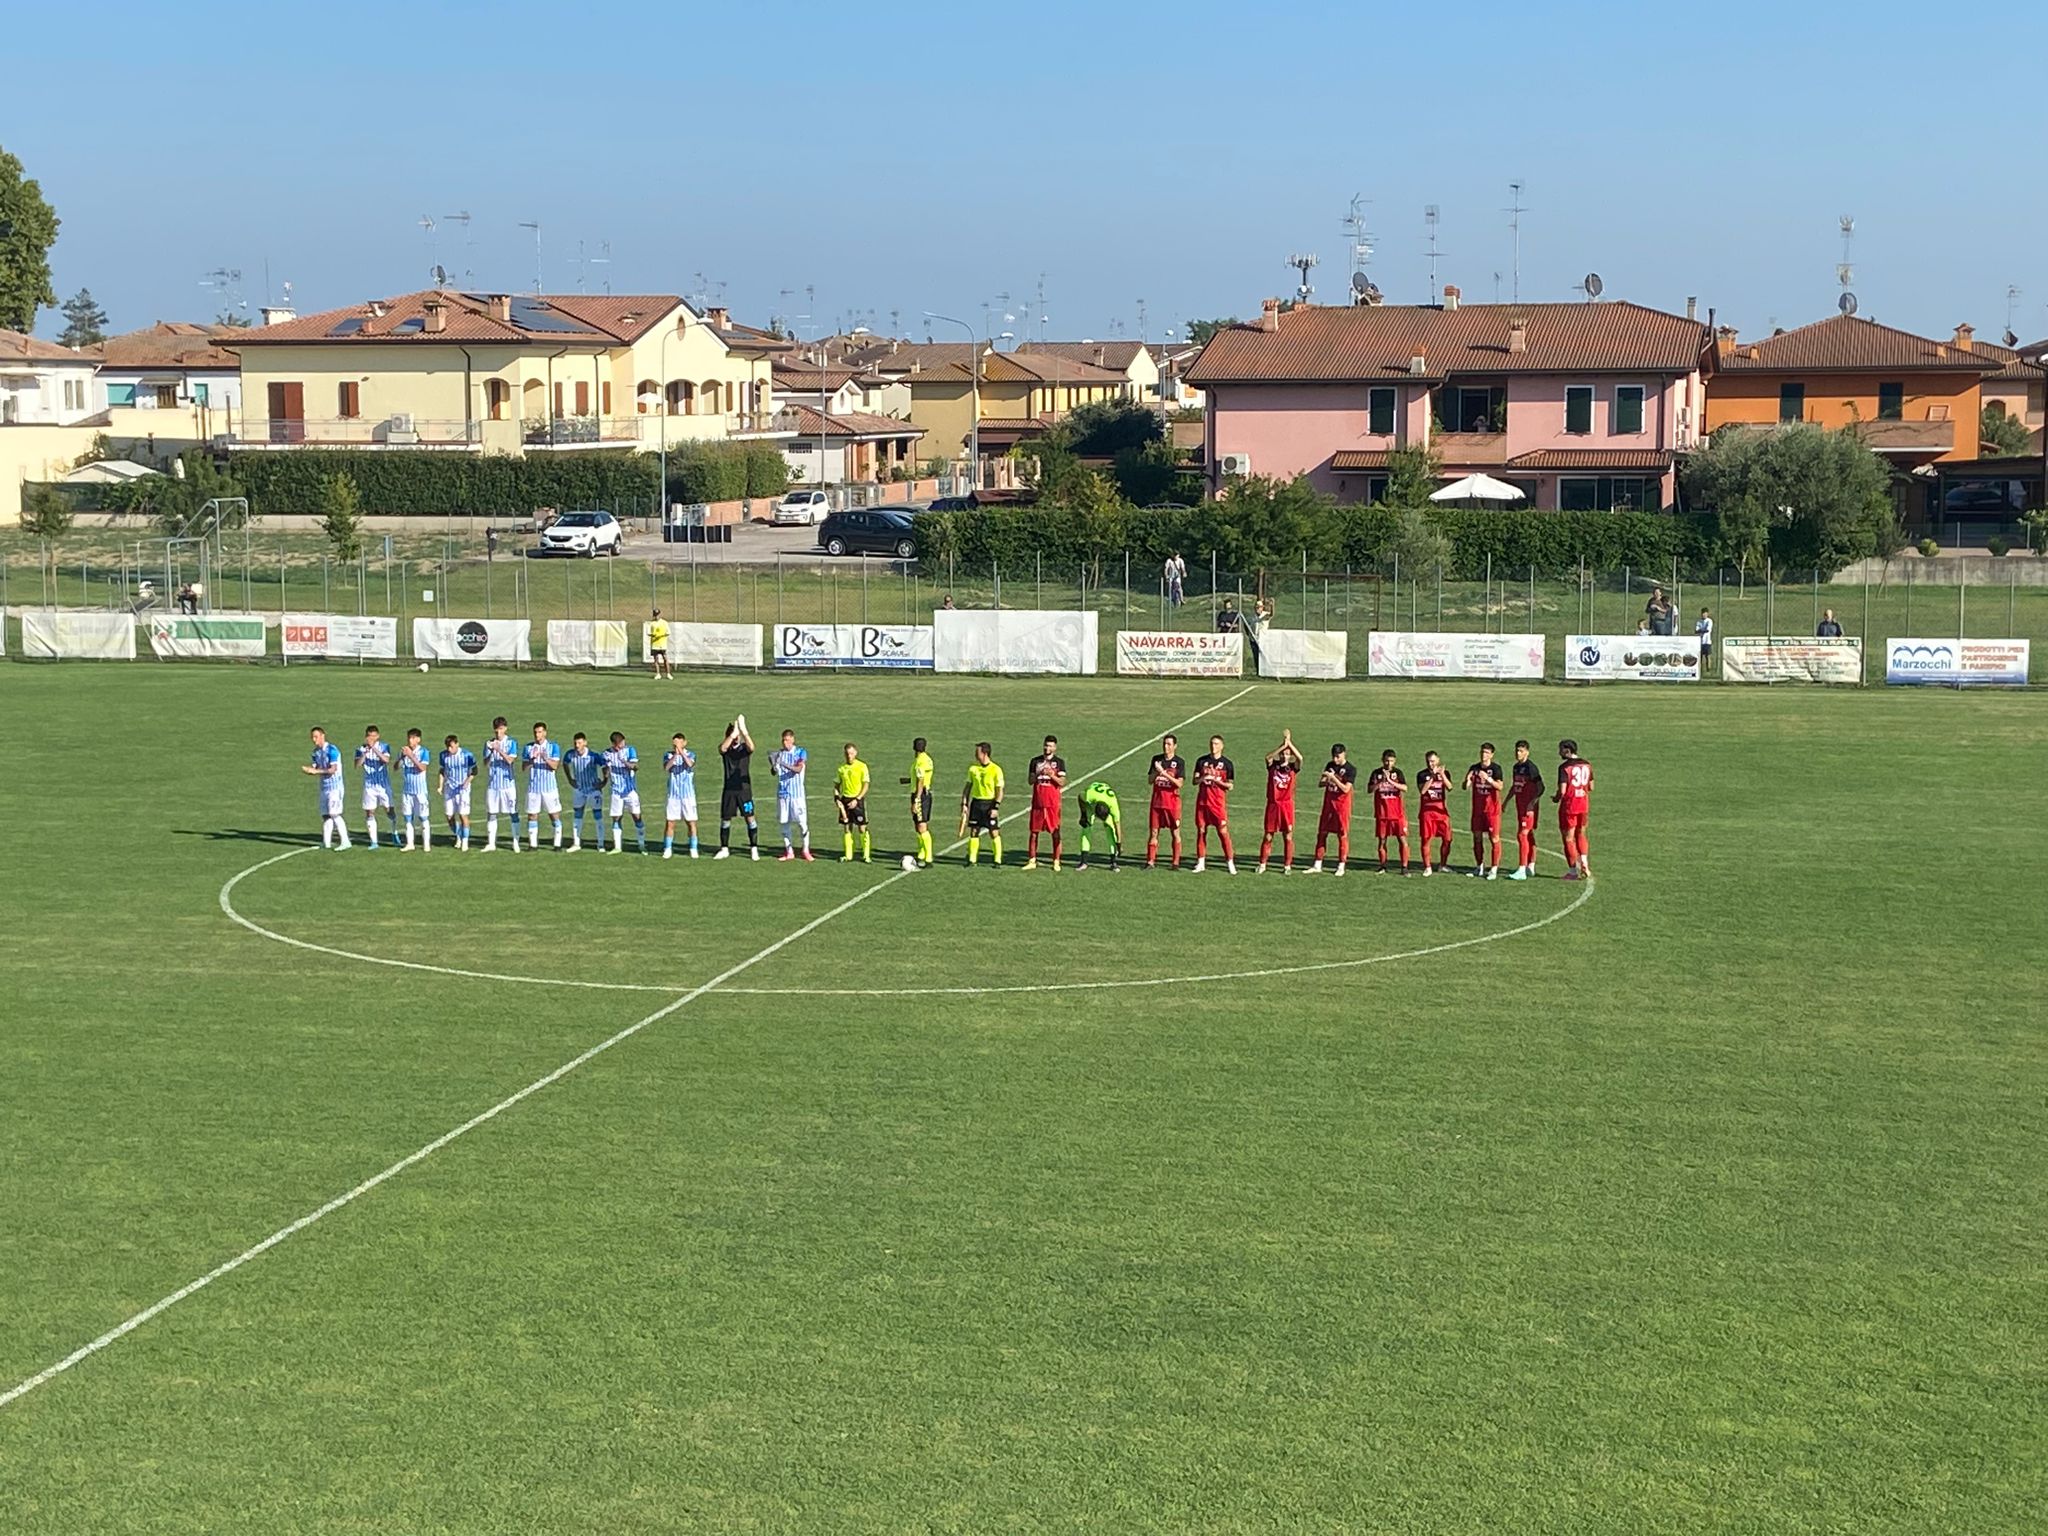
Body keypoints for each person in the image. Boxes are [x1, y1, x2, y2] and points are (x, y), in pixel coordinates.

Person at [1302, 744, 1357, 875]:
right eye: (1333, 756)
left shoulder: (1350, 769)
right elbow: (1320, 783)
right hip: (1328, 805)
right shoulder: (1330, 765)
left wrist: (1333, 778)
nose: (1335, 759)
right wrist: (1327, 778)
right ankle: (1317, 864)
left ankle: (1341, 866)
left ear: (1344, 754)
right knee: (1322, 833)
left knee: (1342, 835)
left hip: (1342, 807)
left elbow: (1346, 789)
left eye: (1338, 756)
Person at [1257, 729, 1302, 874]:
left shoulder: (1293, 768)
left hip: (1286, 805)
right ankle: (1262, 864)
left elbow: (1300, 758)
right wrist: (1283, 745)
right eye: (1283, 753)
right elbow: (1268, 757)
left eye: (1287, 754)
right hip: (1273, 805)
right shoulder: (1273, 765)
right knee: (1268, 835)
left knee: (1287, 835)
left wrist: (1289, 743)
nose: (1284, 756)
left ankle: (1287, 866)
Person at [716, 718, 762, 861]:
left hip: (744, 791)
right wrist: (732, 734)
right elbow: (722, 748)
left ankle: (754, 848)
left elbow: (752, 747)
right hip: (729, 790)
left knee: (750, 818)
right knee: (726, 819)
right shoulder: (726, 749)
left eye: (737, 736)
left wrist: (744, 731)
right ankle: (724, 849)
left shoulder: (743, 749)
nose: (736, 738)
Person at [1190, 734, 1236, 874]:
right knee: (1201, 831)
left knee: (1223, 832)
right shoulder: (1201, 761)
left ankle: (1230, 862)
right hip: (1202, 803)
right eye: (1211, 743)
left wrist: (1216, 781)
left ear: (1222, 746)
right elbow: (1194, 781)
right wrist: (1204, 778)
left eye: (1216, 744)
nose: (1213, 746)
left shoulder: (1227, 764)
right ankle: (1201, 862)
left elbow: (1230, 786)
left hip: (1217, 804)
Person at [1023, 734, 1067, 871]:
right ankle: (1032, 860)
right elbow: (1030, 781)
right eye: (1046, 745)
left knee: (1055, 831)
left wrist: (1051, 775)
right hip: (1038, 802)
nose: (1047, 748)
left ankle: (1056, 861)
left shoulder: (1059, 762)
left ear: (1055, 748)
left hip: (1052, 803)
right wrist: (1038, 773)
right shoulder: (1035, 761)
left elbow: (1062, 782)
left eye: (1050, 746)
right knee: (1034, 832)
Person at [1462, 742, 1505, 880]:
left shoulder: (1496, 769)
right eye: (1482, 752)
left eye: (1486, 753)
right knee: (1477, 837)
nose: (1483, 755)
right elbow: (1465, 786)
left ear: (1491, 755)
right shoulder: (1474, 768)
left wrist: (1488, 779)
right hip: (1477, 810)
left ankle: (1494, 869)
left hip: (1492, 810)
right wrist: (1467, 780)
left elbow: (1500, 786)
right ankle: (1479, 866)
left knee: (1494, 838)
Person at [302, 726, 350, 850]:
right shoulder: (315, 752)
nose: (314, 740)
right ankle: (326, 843)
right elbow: (316, 767)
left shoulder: (332, 750)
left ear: (323, 736)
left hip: (335, 787)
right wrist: (309, 770)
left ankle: (345, 841)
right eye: (312, 737)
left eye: (316, 737)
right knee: (326, 815)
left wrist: (316, 771)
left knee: (334, 813)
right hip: (324, 787)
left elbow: (333, 769)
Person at [1145, 734, 1187, 870]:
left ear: (1175, 746)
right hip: (1157, 803)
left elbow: (1179, 784)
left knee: (1175, 832)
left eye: (1169, 744)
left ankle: (1175, 862)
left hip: (1172, 804)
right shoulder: (1156, 760)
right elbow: (1150, 780)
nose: (1166, 746)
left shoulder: (1179, 762)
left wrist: (1163, 773)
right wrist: (1156, 772)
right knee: (1154, 832)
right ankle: (1150, 861)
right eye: (1164, 743)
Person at [1554, 739, 1594, 880]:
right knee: (1581, 833)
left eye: (1561, 750)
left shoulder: (1564, 767)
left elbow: (1563, 790)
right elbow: (1591, 786)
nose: (1559, 753)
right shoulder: (1587, 764)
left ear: (1567, 750)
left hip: (1570, 806)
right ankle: (1584, 862)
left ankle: (1572, 871)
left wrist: (1556, 798)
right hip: (1583, 804)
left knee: (1568, 838)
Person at [355, 725, 400, 850]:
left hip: (383, 785)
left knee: (389, 810)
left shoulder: (384, 746)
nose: (372, 738)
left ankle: (394, 832)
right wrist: (365, 753)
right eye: (370, 736)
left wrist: (373, 749)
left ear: (378, 736)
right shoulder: (360, 749)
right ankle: (374, 841)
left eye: (374, 736)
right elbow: (357, 765)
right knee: (370, 812)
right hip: (369, 786)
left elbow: (386, 760)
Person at [770, 728, 812, 862]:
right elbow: (774, 772)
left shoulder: (800, 752)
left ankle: (805, 849)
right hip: (783, 794)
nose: (785, 743)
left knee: (802, 823)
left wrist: (782, 763)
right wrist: (773, 764)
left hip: (797, 795)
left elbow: (798, 769)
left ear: (793, 740)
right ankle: (789, 851)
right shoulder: (779, 754)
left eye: (787, 740)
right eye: (783, 740)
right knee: (784, 823)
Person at [960, 741, 1005, 866]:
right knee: (974, 831)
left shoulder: (996, 769)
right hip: (976, 803)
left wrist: (995, 807)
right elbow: (967, 788)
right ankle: (972, 860)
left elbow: (999, 791)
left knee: (993, 832)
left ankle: (997, 860)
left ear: (985, 753)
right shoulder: (973, 769)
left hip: (989, 803)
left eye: (977, 752)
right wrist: (964, 804)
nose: (975, 755)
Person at [1506, 739, 1545, 881]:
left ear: (1527, 752)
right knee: (1528, 834)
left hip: (1528, 808)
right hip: (1520, 806)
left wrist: (1532, 804)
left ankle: (1522, 869)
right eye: (1517, 750)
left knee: (1522, 835)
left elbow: (1541, 788)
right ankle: (1531, 866)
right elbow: (1515, 786)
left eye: (1521, 751)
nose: (1518, 753)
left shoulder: (1531, 768)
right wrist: (1506, 801)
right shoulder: (1516, 767)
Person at [482, 717, 521, 853]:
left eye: (500, 729)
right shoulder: (489, 743)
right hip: (493, 785)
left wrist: (499, 750)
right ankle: (491, 843)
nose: (498, 732)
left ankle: (516, 842)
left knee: (513, 812)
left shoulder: (511, 743)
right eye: (496, 729)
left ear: (505, 728)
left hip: (508, 785)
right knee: (491, 813)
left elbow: (510, 760)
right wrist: (491, 752)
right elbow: (485, 763)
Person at [603, 731, 646, 854]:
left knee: (637, 817)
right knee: (616, 818)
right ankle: (617, 847)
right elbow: (605, 773)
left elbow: (635, 767)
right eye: (619, 744)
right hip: (616, 791)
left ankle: (642, 845)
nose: (622, 745)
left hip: (630, 791)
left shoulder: (630, 750)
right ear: (614, 744)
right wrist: (607, 769)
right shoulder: (606, 754)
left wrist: (624, 762)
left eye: (622, 742)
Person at [1367, 748, 1410, 873]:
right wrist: (1380, 782)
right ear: (1382, 760)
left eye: (1391, 761)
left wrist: (1390, 781)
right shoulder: (1376, 773)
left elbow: (1405, 788)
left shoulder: (1398, 773)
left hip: (1397, 814)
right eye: (1386, 761)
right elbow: (1369, 789)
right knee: (1382, 841)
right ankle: (1383, 866)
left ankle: (1404, 867)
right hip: (1382, 814)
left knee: (1402, 840)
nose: (1388, 763)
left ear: (1394, 761)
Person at [524, 722, 564, 850]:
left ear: (545, 733)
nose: (537, 735)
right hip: (533, 788)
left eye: (540, 732)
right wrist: (531, 760)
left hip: (549, 788)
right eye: (535, 732)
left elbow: (555, 766)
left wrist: (545, 758)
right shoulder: (528, 747)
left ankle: (557, 843)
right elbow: (524, 768)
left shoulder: (553, 747)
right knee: (532, 815)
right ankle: (533, 845)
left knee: (554, 815)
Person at [563, 732, 605, 850]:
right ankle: (576, 843)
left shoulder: (593, 756)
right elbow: (565, 763)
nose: (577, 745)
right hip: (579, 789)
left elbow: (605, 767)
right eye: (575, 743)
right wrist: (570, 779)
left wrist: (603, 782)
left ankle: (600, 843)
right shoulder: (570, 754)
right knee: (577, 814)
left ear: (585, 743)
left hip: (593, 789)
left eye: (579, 743)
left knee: (597, 815)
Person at [1417, 750, 1454, 876]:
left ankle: (1442, 865)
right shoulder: (1422, 775)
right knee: (1426, 839)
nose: (1430, 764)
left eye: (1432, 761)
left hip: (1441, 812)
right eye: (1428, 762)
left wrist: (1442, 775)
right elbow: (1422, 791)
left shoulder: (1445, 773)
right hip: (1427, 812)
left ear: (1438, 760)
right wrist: (1432, 777)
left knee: (1447, 839)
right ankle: (1427, 867)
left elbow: (1450, 787)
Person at [834, 742, 872, 862]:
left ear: (855, 753)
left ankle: (866, 855)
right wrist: (836, 798)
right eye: (847, 754)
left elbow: (866, 785)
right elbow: (837, 786)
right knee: (847, 828)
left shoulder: (862, 766)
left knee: (862, 828)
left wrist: (857, 799)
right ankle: (848, 855)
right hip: (845, 800)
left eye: (851, 753)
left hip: (857, 801)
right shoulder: (841, 769)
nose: (849, 756)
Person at [662, 734, 699, 860]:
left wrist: (681, 753)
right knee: (670, 822)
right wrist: (675, 755)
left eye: (678, 743)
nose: (676, 745)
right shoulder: (668, 755)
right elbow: (667, 767)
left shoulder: (691, 754)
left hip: (688, 795)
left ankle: (693, 848)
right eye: (674, 743)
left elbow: (690, 764)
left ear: (684, 743)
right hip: (673, 795)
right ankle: (667, 848)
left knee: (691, 822)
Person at [438, 732, 476, 851]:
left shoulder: (467, 755)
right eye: (448, 747)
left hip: (462, 790)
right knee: (449, 816)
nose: (449, 749)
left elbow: (474, 770)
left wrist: (467, 781)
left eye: (451, 746)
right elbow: (442, 771)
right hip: (450, 788)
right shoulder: (443, 756)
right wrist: (440, 786)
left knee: (463, 815)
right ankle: (458, 835)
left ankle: (465, 841)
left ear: (457, 744)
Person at [901, 736, 936, 867]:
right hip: (922, 794)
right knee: (918, 825)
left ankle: (928, 859)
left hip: (920, 796)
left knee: (922, 826)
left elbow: (921, 781)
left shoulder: (920, 761)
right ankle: (921, 854)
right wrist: (908, 780)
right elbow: (921, 777)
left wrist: (916, 800)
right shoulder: (926, 759)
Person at [399, 728, 434, 852]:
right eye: (409, 738)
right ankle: (410, 844)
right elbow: (396, 767)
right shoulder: (404, 751)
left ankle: (426, 844)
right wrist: (401, 757)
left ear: (418, 739)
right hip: (407, 790)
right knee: (408, 818)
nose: (410, 740)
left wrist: (410, 755)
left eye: (413, 738)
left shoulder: (424, 752)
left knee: (423, 817)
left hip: (420, 791)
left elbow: (422, 768)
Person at [1075, 779, 1122, 871]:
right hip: (1093, 800)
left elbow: (1117, 827)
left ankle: (1113, 862)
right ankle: (1083, 861)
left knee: (1110, 830)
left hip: (1101, 798)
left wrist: (1119, 844)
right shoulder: (1089, 796)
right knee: (1086, 828)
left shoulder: (1113, 805)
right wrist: (1083, 814)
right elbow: (1080, 797)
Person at [648, 608, 672, 680]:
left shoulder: (664, 622)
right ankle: (658, 674)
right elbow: (649, 633)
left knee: (665, 659)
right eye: (655, 615)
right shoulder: (652, 623)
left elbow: (668, 632)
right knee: (656, 660)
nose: (656, 616)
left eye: (657, 615)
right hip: (654, 644)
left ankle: (668, 674)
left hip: (662, 644)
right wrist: (654, 635)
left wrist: (661, 635)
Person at [1695, 607, 1715, 675]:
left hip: (1707, 641)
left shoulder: (1709, 621)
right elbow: (1696, 631)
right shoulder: (1699, 621)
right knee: (1700, 657)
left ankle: (1708, 670)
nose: (1703, 615)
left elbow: (1708, 630)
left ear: (1707, 614)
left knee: (1708, 656)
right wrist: (1700, 631)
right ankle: (1700, 670)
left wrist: (1700, 630)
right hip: (1700, 642)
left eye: (1705, 613)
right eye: (1702, 613)